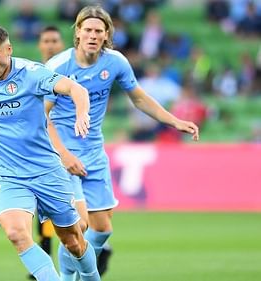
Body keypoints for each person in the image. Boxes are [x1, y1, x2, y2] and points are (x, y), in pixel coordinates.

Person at [44, 6, 200, 281]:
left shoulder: (115, 62)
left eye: (98, 31)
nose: (93, 35)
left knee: (102, 230)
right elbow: (42, 118)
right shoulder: (57, 67)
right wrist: (63, 154)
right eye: (88, 30)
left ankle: (73, 272)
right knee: (78, 226)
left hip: (94, 153)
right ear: (77, 32)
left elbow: (139, 98)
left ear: (107, 35)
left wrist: (174, 121)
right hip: (62, 158)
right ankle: (69, 279)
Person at [0, 24, 100, 281]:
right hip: (9, 176)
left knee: (73, 241)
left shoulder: (32, 74)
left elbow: (76, 89)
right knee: (16, 234)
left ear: (8, 50)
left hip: (46, 171)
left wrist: (82, 113)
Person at [26, 25, 65, 280]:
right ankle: (47, 263)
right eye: (46, 40)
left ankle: (98, 245)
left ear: (61, 44)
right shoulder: (31, 74)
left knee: (66, 211)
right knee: (41, 209)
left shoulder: (65, 73)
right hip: (38, 147)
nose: (50, 45)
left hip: (65, 146)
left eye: (54, 40)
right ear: (40, 45)